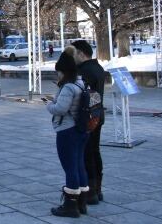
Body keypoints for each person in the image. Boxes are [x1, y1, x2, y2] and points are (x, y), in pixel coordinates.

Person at [46, 47, 89, 217]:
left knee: (69, 167)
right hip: (81, 129)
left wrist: (48, 105)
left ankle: (70, 205)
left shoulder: (68, 87)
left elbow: (60, 109)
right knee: (79, 165)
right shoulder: (81, 83)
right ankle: (82, 202)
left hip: (67, 130)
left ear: (64, 71)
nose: (58, 75)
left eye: (59, 72)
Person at [72, 39, 105, 204]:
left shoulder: (83, 71)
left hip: (87, 118)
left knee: (86, 155)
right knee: (94, 152)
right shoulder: (97, 67)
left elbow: (80, 95)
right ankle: (97, 190)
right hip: (98, 115)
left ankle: (90, 191)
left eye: (74, 53)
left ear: (81, 53)